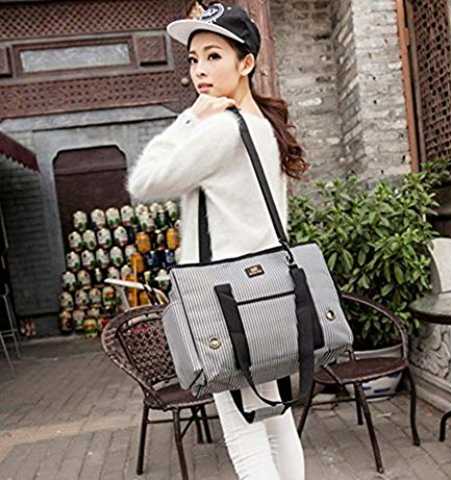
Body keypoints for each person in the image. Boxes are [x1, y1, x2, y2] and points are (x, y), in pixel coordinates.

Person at [128, 3, 308, 479]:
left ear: (245, 63)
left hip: (225, 305)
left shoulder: (223, 130)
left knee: (246, 439)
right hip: (265, 297)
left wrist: (191, 117)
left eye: (213, 56)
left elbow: (143, 181)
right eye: (193, 59)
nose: (200, 71)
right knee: (276, 422)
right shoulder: (261, 126)